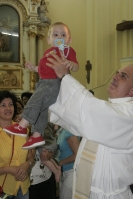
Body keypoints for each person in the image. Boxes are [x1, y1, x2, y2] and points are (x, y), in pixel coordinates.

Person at [47, 55, 133, 199]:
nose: (115, 76)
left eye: (123, 76)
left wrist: (65, 77)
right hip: (89, 195)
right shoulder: (113, 109)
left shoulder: (131, 114)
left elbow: (90, 111)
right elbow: (80, 122)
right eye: (117, 72)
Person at [3, 22, 79, 152]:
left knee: (35, 100)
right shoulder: (48, 52)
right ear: (49, 39)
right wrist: (34, 68)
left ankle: (22, 125)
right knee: (41, 109)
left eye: (63, 35)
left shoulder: (67, 51)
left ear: (69, 40)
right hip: (44, 82)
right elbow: (44, 69)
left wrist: (70, 63)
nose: (59, 37)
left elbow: (76, 67)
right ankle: (37, 135)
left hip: (53, 83)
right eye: (55, 35)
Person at [0, 90, 34, 199]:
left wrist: (27, 164)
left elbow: (31, 154)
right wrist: (8, 169)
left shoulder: (23, 129)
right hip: (2, 190)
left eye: (10, 104)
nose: (8, 108)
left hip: (22, 187)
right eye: (3, 105)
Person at [28, 122, 58, 199]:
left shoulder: (38, 126)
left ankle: (57, 170)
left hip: (46, 180)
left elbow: (51, 143)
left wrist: (50, 152)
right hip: (27, 184)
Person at [55, 127, 80, 199]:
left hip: (71, 171)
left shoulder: (69, 131)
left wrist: (59, 163)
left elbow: (77, 154)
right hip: (64, 171)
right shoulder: (61, 131)